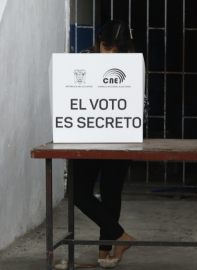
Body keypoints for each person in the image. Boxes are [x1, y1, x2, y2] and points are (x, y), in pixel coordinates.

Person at [73, 20, 143, 268]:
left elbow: (141, 107)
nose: (111, 54)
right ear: (98, 40)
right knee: (78, 193)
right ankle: (121, 237)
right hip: (86, 138)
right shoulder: (81, 59)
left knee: (111, 195)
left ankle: (104, 255)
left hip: (120, 140)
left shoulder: (133, 64)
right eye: (106, 47)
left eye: (117, 51)